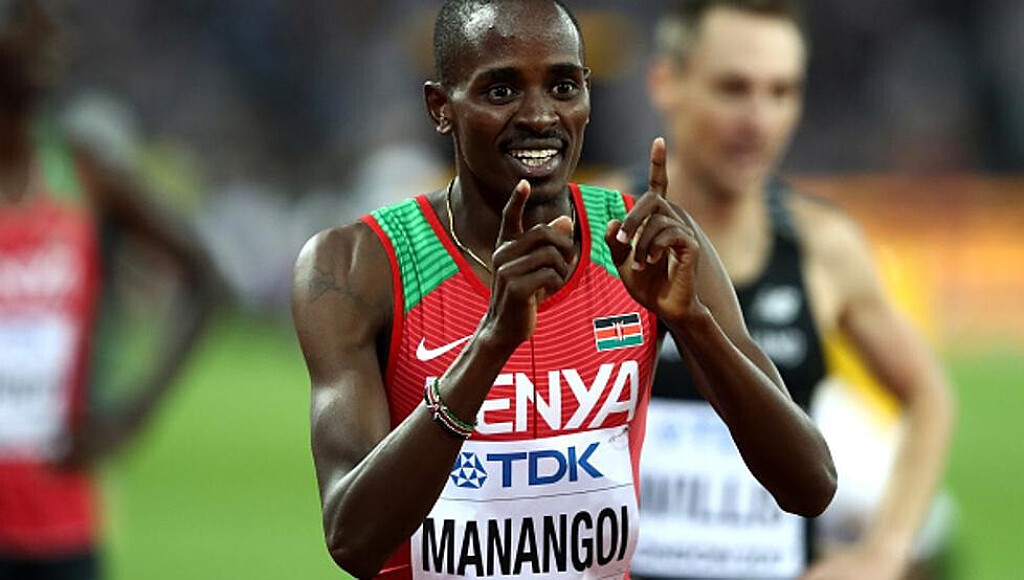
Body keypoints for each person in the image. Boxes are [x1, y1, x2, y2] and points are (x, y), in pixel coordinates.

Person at [291, 1, 836, 578]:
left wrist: (693, 322)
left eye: (563, 86)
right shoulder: (355, 267)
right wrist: (491, 345)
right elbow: (353, 540)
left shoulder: (646, 243)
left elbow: (810, 486)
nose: (539, 116)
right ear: (440, 108)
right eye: (501, 91)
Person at [604, 1, 956, 579]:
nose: (758, 120)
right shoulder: (594, 232)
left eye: (781, 91)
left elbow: (928, 396)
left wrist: (885, 552)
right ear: (666, 83)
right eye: (733, 88)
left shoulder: (823, 248)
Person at [0, 1, 216, 577]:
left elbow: (206, 279)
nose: (53, 35)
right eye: (26, 17)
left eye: (55, 20)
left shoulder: (81, 172)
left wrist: (132, 415)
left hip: (61, 523)